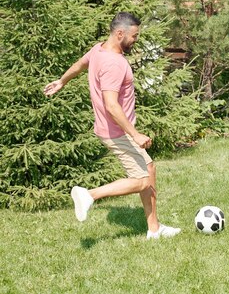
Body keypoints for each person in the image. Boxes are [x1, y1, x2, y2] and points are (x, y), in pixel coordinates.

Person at [43, 12, 181, 240]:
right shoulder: (114, 64)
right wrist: (135, 134)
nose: (136, 40)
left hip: (111, 129)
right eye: (134, 36)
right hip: (117, 132)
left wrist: (62, 81)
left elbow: (80, 65)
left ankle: (154, 228)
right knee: (143, 180)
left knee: (150, 169)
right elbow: (111, 104)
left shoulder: (99, 50)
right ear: (120, 34)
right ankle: (89, 195)